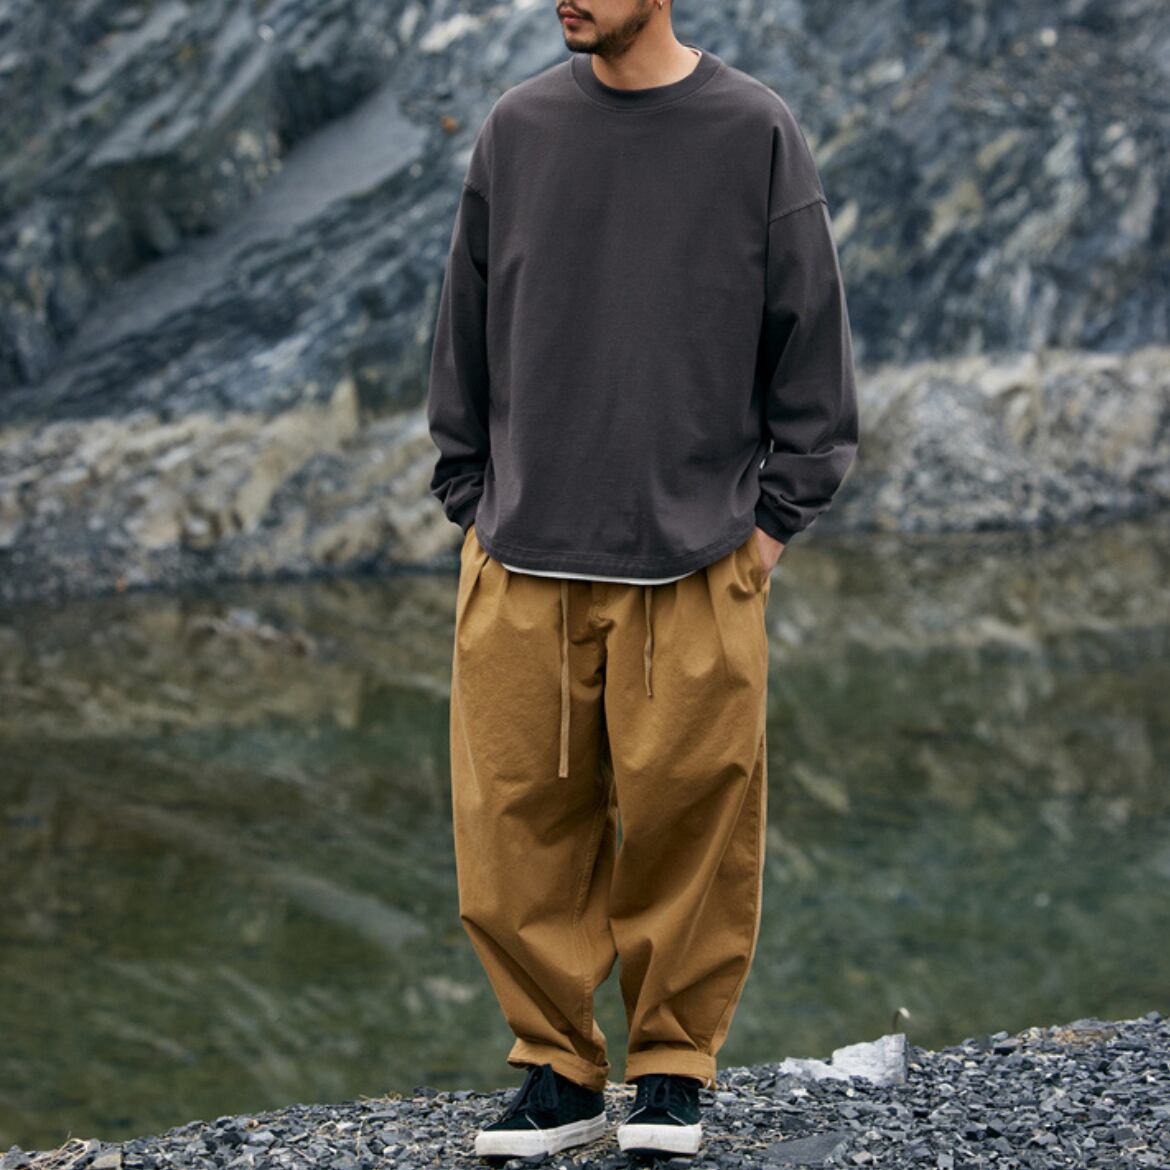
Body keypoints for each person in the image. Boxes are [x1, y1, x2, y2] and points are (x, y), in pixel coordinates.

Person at [426, 0, 859, 1159]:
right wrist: (471, 498)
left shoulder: (753, 131)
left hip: (696, 561)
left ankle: (672, 1071)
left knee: (691, 825)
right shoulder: (518, 128)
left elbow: (811, 339)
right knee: (513, 832)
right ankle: (559, 1073)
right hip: (522, 557)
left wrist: (771, 526)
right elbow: (464, 319)